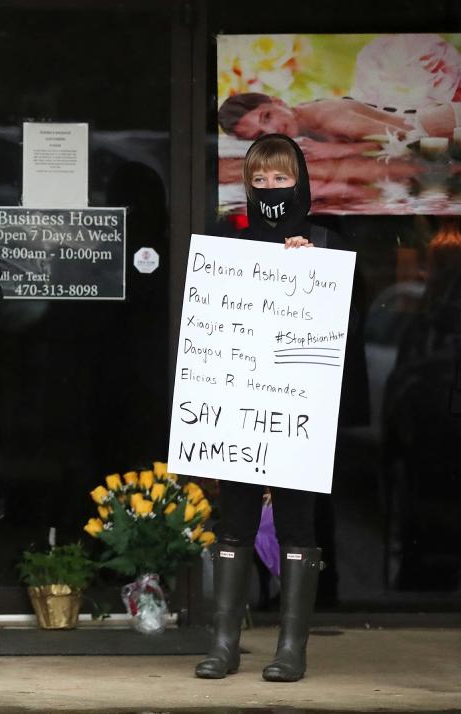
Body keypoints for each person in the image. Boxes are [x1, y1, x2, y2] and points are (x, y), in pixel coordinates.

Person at [195, 134, 330, 683]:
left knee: (298, 522)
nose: (271, 188)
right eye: (260, 179)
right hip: (239, 407)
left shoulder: (325, 240)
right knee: (236, 521)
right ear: (247, 184)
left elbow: (342, 328)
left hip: (298, 411)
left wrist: (313, 268)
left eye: (281, 177)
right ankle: (224, 645)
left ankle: (291, 650)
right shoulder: (226, 236)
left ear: (300, 180)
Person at [219, 92, 461, 146]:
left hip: (450, 124)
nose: (273, 131)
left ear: (278, 101)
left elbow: (405, 140)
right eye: (260, 135)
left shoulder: (329, 118)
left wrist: (334, 153)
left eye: (267, 116)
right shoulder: (304, 120)